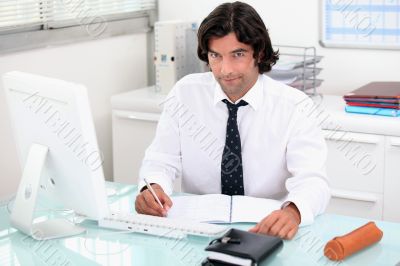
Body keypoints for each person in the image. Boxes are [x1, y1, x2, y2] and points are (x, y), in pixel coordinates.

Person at [135, 1, 330, 240]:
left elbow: (313, 181)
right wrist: (152, 187)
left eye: (237, 55)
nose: (225, 69)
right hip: (198, 231)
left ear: (258, 52)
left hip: (265, 231)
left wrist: (293, 211)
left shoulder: (294, 106)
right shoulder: (185, 94)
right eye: (215, 56)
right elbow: (160, 160)